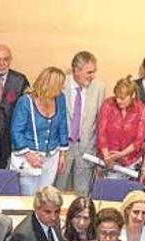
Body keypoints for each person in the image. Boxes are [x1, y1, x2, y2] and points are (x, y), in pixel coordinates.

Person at [10, 67, 69, 195]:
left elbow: (63, 124)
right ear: (50, 86)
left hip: (51, 155)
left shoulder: (60, 99)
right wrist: (29, 155)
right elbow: (16, 131)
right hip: (29, 156)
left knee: (45, 196)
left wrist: (63, 154)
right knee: (29, 195)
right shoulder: (25, 102)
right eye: (59, 86)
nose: (62, 89)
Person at [57, 51, 106, 196]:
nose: (92, 76)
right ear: (76, 71)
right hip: (62, 149)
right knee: (57, 191)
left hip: (86, 149)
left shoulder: (99, 87)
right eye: (89, 72)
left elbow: (100, 121)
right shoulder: (61, 83)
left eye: (94, 72)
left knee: (83, 194)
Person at [0, 44, 30, 169]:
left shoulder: (20, 80)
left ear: (10, 60)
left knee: (6, 177)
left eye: (6, 59)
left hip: (9, 139)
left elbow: (27, 110)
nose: (2, 64)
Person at [96, 76, 145, 178]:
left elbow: (139, 140)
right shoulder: (108, 104)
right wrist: (107, 157)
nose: (118, 101)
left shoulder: (142, 110)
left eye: (122, 98)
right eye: (116, 97)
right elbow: (101, 133)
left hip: (131, 161)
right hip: (107, 159)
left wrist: (121, 154)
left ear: (132, 95)